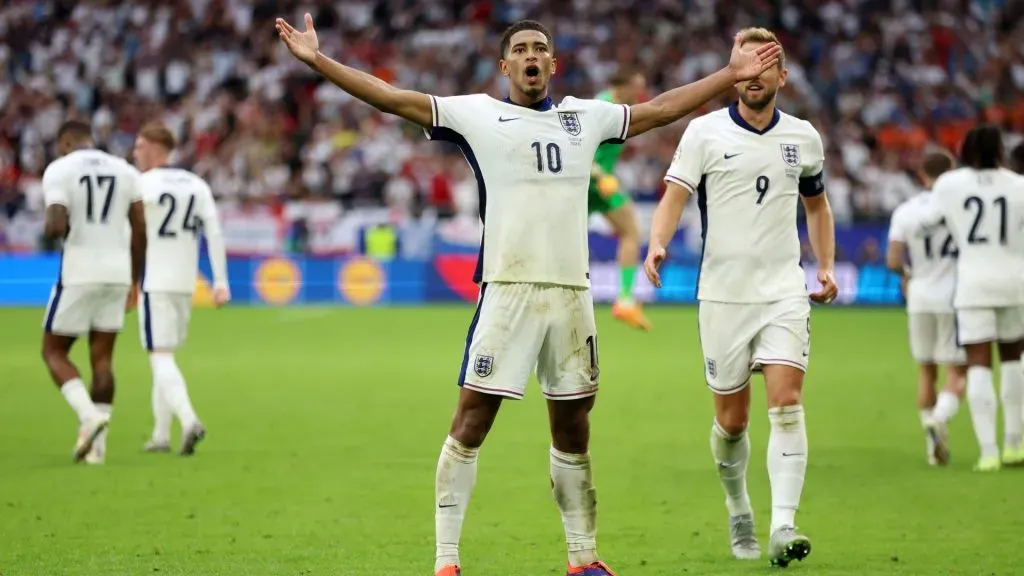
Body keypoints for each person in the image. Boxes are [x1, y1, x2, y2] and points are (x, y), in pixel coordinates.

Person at [275, 13, 780, 576]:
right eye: (521, 49)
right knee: (472, 419)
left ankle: (582, 558)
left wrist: (727, 74)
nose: (532, 56)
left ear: (554, 63)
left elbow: (660, 110)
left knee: (574, 426)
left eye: (541, 47)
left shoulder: (583, 118)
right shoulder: (475, 114)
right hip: (508, 291)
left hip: (571, 295)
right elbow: (392, 98)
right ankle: (446, 561)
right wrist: (318, 61)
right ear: (505, 64)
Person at [644, 27, 837, 568]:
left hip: (783, 291)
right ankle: (739, 508)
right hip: (723, 296)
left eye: (764, 66)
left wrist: (824, 265)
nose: (754, 77)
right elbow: (674, 197)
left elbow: (817, 206)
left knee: (787, 404)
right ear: (735, 75)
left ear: (781, 75)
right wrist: (658, 243)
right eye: (744, 68)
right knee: (732, 421)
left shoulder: (804, 137)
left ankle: (783, 525)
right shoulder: (704, 133)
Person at [907, 125, 1024, 472]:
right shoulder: (1018, 185)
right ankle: (1014, 445)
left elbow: (923, 224)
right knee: (1014, 362)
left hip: (973, 284)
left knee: (978, 365)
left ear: (965, 151)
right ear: (1000, 150)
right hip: (1014, 282)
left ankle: (988, 452)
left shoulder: (950, 185)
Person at [40, 120, 147, 464]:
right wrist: (135, 278)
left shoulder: (60, 169)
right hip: (117, 271)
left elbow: (56, 223)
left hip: (80, 270)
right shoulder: (125, 170)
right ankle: (96, 452)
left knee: (54, 352)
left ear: (66, 141)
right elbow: (140, 228)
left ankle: (89, 415)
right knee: (102, 359)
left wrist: (56, 229)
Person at [129, 123, 230, 458]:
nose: (135, 152)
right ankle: (160, 434)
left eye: (140, 146)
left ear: (156, 148)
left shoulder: (142, 184)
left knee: (159, 356)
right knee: (166, 355)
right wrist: (219, 282)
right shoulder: (195, 184)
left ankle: (189, 421)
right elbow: (214, 233)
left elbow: (129, 234)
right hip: (186, 282)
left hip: (154, 280)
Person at [885, 149, 966, 466]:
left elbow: (893, 260)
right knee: (958, 371)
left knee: (926, 370)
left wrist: (906, 276)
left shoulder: (906, 211)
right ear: (953, 172)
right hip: (955, 296)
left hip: (919, 294)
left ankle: (933, 448)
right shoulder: (961, 207)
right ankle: (940, 419)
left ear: (922, 176)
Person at [588, 70, 651, 330]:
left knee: (631, 232)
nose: (639, 95)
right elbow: (578, 147)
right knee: (560, 241)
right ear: (621, 86)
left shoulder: (625, 110)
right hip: (584, 182)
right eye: (635, 88)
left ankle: (625, 301)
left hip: (602, 185)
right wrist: (600, 175)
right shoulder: (600, 108)